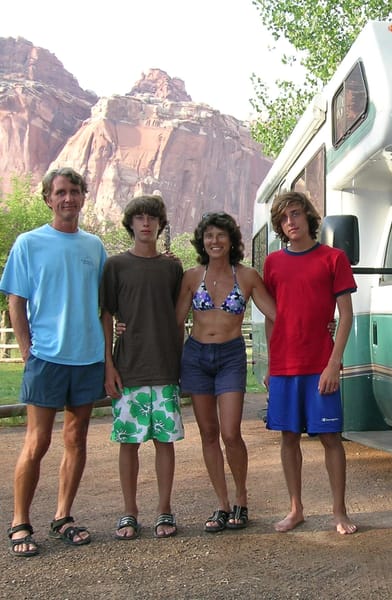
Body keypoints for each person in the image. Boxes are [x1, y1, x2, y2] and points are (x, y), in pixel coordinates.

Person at [1, 167, 106, 557]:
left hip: (87, 357)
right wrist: (27, 349)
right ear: (48, 198)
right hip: (46, 358)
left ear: (83, 197)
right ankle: (20, 521)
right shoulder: (29, 243)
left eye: (75, 191)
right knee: (38, 440)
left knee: (76, 439)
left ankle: (63, 517)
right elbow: (16, 301)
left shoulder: (94, 246)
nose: (68, 198)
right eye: (60, 192)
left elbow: (107, 300)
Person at [263, 191, 358, 535]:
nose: (290, 222)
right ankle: (295, 509)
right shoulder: (273, 263)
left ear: (308, 218)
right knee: (288, 437)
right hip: (284, 366)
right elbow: (271, 317)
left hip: (320, 364)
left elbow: (346, 316)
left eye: (296, 214)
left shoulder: (334, 258)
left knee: (330, 438)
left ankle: (339, 512)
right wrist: (271, 365)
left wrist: (334, 363)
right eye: (284, 217)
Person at [175, 211, 276, 533]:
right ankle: (221, 504)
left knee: (230, 432)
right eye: (209, 236)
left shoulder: (247, 276)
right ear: (202, 241)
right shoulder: (192, 277)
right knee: (208, 433)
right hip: (196, 357)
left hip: (231, 357)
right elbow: (175, 322)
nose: (214, 241)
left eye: (221, 235)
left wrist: (319, 323)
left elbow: (276, 314)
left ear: (231, 240)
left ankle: (241, 498)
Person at [100, 195, 184, 540]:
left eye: (152, 218)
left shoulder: (172, 268)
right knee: (129, 443)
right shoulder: (115, 266)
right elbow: (107, 315)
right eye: (139, 218)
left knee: (165, 442)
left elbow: (179, 313)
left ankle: (164, 509)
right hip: (129, 367)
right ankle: (129, 512)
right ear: (130, 224)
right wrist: (108, 364)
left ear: (160, 224)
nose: (146, 223)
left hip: (165, 366)